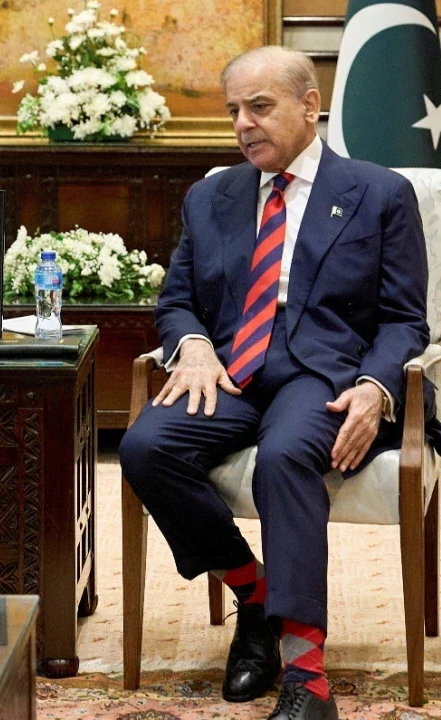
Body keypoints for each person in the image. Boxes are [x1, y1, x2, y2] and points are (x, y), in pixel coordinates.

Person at [119, 46, 439, 720]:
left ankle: (307, 678)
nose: (243, 124)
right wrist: (193, 345)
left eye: (259, 107)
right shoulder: (211, 196)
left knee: (287, 456)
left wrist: (376, 387)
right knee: (146, 446)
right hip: (232, 369)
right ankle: (256, 595)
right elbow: (177, 301)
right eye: (234, 110)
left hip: (325, 372)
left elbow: (406, 319)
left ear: (309, 106)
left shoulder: (378, 193)